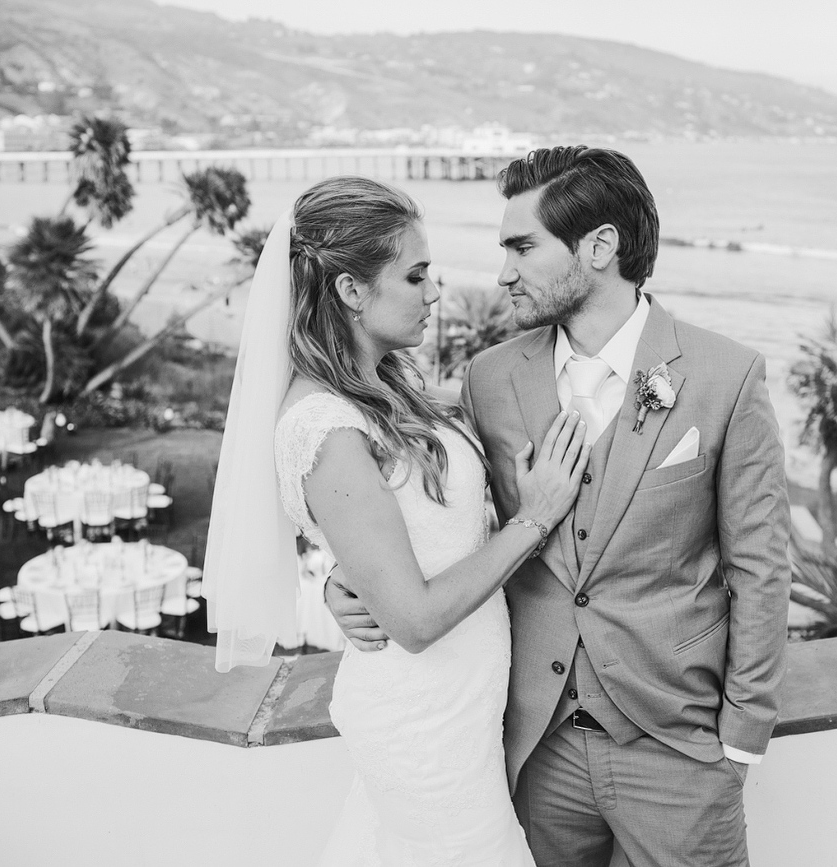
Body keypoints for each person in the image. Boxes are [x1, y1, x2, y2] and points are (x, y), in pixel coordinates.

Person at [329, 146, 792, 866]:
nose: (503, 271)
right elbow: (439, 510)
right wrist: (345, 581)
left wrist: (738, 740)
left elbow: (760, 566)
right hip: (533, 745)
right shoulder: (489, 377)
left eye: (522, 245)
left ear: (599, 246)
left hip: (675, 749)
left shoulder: (725, 377)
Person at [203, 176, 594, 866]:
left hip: (464, 711)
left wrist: (338, 578)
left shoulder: (384, 384)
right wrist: (533, 519)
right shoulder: (324, 425)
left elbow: (391, 534)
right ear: (352, 290)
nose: (434, 293)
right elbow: (411, 619)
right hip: (421, 725)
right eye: (415, 275)